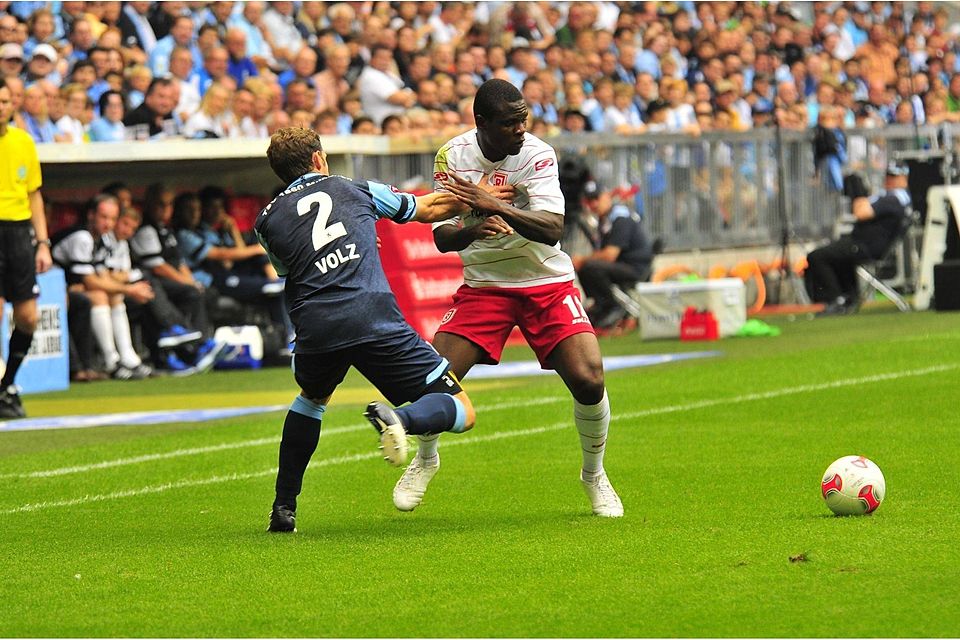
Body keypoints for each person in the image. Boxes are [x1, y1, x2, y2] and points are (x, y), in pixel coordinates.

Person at [410, 78, 623, 518]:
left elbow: (552, 229)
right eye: (510, 123)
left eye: (523, 120)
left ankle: (594, 474)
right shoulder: (452, 156)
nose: (521, 130)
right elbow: (444, 239)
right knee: (429, 381)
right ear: (482, 123)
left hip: (543, 279)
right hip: (485, 283)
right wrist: (473, 227)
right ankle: (426, 458)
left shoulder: (538, 154)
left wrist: (495, 205)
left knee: (589, 378)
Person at [256, 127, 479, 533]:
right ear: (319, 159)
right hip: (371, 315)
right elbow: (428, 209)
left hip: (316, 327)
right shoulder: (352, 188)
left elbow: (293, 268)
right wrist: (483, 198)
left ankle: (283, 506)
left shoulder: (266, 220)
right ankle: (401, 420)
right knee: (462, 410)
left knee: (311, 399)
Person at [51, 194, 154, 380]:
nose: (108, 223)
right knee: (99, 295)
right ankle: (110, 361)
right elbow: (90, 281)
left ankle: (128, 356)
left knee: (113, 295)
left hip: (72, 286)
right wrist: (130, 289)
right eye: (104, 217)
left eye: (113, 219)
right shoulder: (82, 236)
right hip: (52, 288)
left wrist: (122, 288)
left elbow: (102, 275)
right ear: (91, 215)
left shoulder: (103, 239)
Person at [0, 78, 53, 419]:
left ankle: (7, 386)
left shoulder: (23, 141)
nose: (1, 106)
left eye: (5, 101)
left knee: (28, 318)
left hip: (18, 234)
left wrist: (43, 242)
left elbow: (34, 194)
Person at [806, 162, 912, 315]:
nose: (890, 180)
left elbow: (860, 212)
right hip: (863, 244)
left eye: (894, 176)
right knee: (838, 253)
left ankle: (836, 299)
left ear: (904, 178)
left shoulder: (895, 198)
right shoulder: (894, 197)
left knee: (817, 257)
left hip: (867, 246)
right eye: (889, 175)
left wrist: (858, 194)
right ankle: (849, 296)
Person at [573, 180, 655, 330]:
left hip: (635, 268)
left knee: (590, 266)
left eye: (596, 199)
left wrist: (582, 259)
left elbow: (610, 255)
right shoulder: (605, 220)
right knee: (587, 267)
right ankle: (600, 305)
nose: (594, 204)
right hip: (623, 265)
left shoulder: (620, 218)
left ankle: (612, 307)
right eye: (589, 201)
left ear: (606, 196)